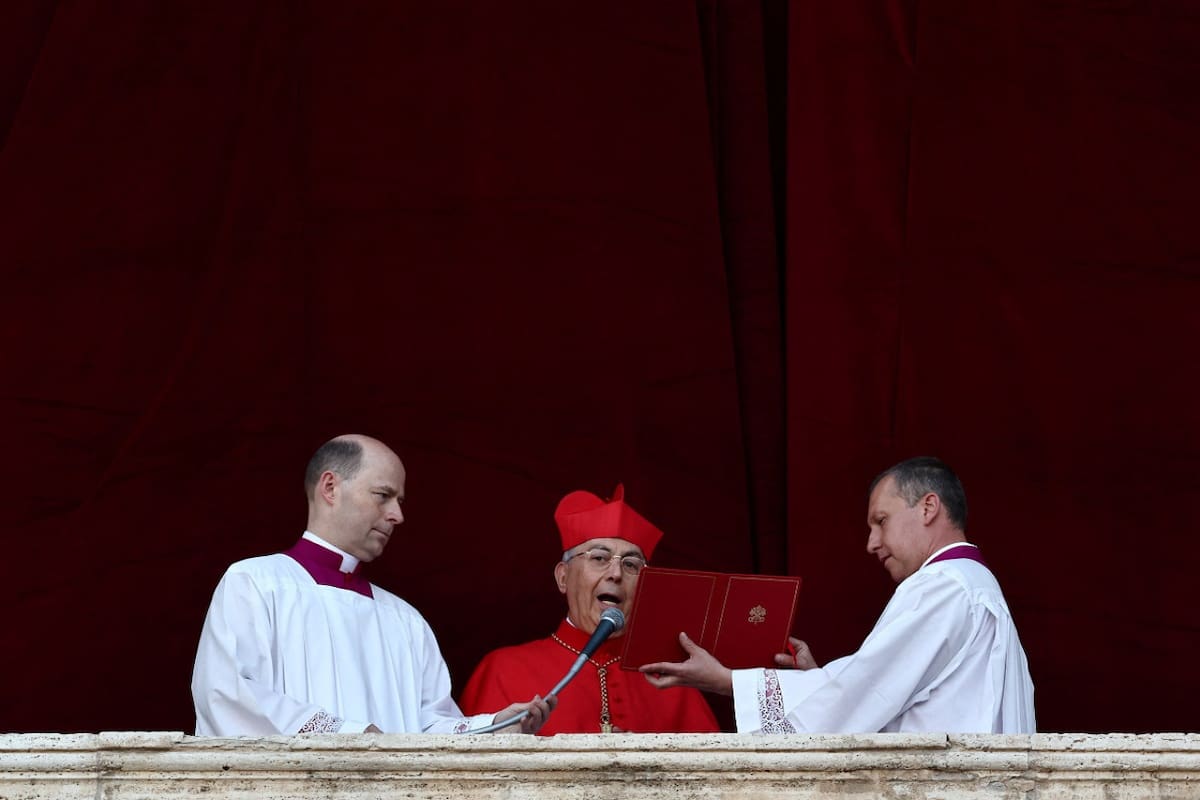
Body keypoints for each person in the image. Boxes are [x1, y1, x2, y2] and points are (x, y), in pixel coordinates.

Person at [640, 457, 1036, 734]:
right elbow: (886, 692)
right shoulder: (973, 583)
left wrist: (728, 681)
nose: (871, 543)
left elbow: (864, 691)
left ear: (928, 506)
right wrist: (818, 681)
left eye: (881, 521)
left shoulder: (944, 586)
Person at [191, 434, 554, 735]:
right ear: (330, 487)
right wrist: (350, 735)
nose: (397, 515)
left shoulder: (404, 619)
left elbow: (429, 730)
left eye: (399, 501)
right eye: (383, 496)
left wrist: (494, 728)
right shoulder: (255, 584)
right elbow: (229, 695)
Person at [460, 485, 719, 735]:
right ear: (563, 577)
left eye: (631, 565)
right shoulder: (503, 670)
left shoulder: (673, 681)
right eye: (599, 558)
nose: (616, 574)